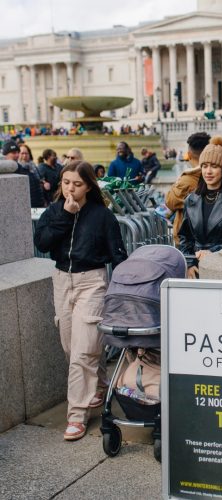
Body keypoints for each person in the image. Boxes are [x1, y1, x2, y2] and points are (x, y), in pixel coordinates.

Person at [34, 161, 127, 441]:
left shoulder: (102, 216)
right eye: (66, 183)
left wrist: (122, 291)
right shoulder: (54, 211)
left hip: (92, 282)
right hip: (62, 281)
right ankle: (99, 384)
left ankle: (76, 414)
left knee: (83, 352)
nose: (70, 189)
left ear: (88, 186)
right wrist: (66, 214)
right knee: (70, 347)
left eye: (77, 184)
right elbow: (43, 243)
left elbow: (118, 255)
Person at [178, 136, 222, 279]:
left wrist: (213, 252)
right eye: (204, 166)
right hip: (196, 268)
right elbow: (185, 237)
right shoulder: (191, 199)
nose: (208, 171)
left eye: (214, 166)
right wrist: (189, 263)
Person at [166, 132, 211, 245]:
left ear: (189, 154)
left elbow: (170, 201)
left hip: (188, 239)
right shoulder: (218, 175)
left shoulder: (186, 181)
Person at [3, 140, 44, 207]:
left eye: (17, 152)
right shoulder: (5, 172)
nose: (17, 155)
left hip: (33, 206)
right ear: (5, 155)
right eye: (13, 153)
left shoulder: (26, 170)